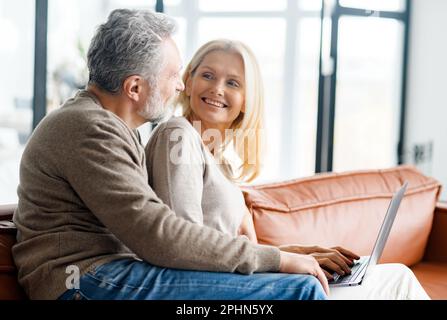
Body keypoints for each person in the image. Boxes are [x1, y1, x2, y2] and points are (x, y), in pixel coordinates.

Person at [12, 9, 329, 300]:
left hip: (112, 275)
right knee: (300, 292)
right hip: (84, 282)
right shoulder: (89, 129)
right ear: (135, 88)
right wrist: (278, 259)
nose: (180, 86)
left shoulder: (111, 128)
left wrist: (279, 255)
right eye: (173, 75)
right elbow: (161, 236)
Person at [144, 39, 430, 300]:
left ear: (246, 100)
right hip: (217, 291)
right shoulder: (178, 135)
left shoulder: (219, 159)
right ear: (188, 81)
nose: (218, 88)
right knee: (397, 281)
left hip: (239, 281)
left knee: (393, 277)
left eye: (233, 83)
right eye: (207, 75)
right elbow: (185, 244)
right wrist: (286, 259)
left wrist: (303, 253)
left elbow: (230, 249)